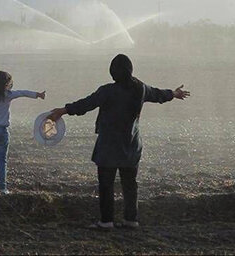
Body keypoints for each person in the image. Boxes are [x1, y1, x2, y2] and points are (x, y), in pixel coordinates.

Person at [47, 54, 190, 229]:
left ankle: (106, 221)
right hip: (131, 145)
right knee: (130, 184)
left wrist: (63, 110)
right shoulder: (140, 88)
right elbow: (158, 94)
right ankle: (131, 219)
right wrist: (174, 93)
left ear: (112, 73)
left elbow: (86, 104)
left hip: (109, 146)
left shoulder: (107, 91)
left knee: (106, 184)